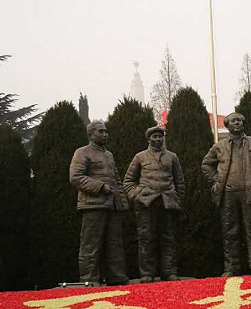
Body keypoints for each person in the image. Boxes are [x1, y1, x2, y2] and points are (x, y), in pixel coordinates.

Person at [201, 112, 251, 276]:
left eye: (240, 120)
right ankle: (231, 268)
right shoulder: (219, 146)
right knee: (230, 232)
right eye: (233, 121)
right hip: (228, 195)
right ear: (227, 125)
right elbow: (206, 164)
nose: (237, 123)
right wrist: (217, 180)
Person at [69, 121, 129, 285]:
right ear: (91, 134)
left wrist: (122, 203)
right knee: (90, 245)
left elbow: (116, 180)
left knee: (115, 244)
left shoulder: (109, 155)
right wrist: (100, 186)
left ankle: (117, 278)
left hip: (112, 206)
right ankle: (88, 280)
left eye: (106, 131)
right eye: (101, 131)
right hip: (93, 205)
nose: (105, 134)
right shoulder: (82, 152)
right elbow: (75, 177)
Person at [123, 126, 186, 283]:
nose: (158, 139)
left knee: (168, 238)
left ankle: (169, 272)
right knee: (146, 238)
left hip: (167, 203)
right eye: (154, 137)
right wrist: (137, 195)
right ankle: (147, 273)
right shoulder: (140, 157)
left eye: (160, 136)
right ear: (148, 139)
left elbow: (180, 181)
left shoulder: (172, 157)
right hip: (146, 204)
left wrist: (178, 200)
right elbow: (128, 181)